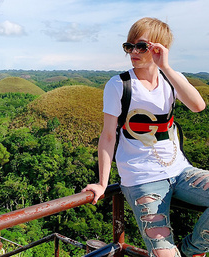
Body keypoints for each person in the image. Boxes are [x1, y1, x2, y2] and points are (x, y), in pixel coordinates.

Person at [82, 17, 207, 257]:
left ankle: (191, 250)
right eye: (129, 46)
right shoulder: (118, 85)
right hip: (142, 179)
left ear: (159, 48)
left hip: (180, 170)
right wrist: (102, 183)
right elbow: (108, 136)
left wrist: (167, 67)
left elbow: (198, 106)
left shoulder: (171, 79)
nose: (133, 52)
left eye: (141, 46)